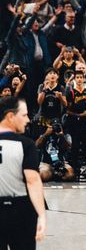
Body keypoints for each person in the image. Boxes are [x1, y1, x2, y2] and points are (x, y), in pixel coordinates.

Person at [0, 97, 46, 249]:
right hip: (20, 211)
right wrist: (42, 215)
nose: (28, 120)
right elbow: (32, 180)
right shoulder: (26, 144)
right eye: (24, 115)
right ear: (10, 116)